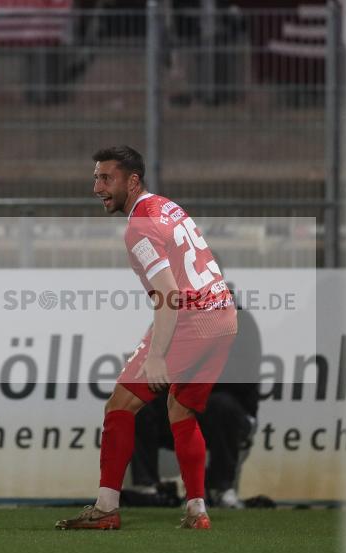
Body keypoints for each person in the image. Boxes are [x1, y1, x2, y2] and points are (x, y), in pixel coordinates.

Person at [55, 145, 237, 530]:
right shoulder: (168, 207)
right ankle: (197, 510)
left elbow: (169, 294)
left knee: (119, 407)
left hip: (192, 317)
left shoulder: (139, 227)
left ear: (132, 181)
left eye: (107, 179)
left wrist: (157, 355)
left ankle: (106, 508)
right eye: (96, 178)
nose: (97, 188)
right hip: (223, 315)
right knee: (181, 411)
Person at [128, 299, 261, 509]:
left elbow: (240, 380)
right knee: (140, 402)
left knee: (221, 405)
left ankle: (220, 488)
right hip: (181, 406)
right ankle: (148, 488)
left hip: (228, 413)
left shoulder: (239, 321)